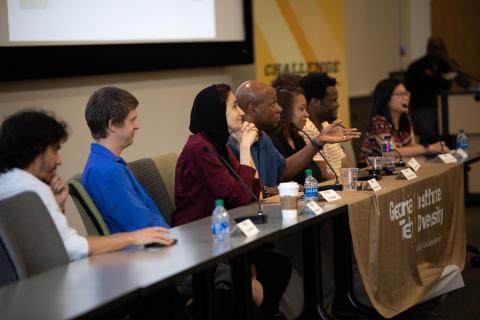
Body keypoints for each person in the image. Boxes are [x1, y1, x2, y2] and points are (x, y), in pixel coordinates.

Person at [173, 84, 292, 319]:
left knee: (278, 266)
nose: (240, 112)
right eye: (233, 106)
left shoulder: (216, 145)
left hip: (225, 238)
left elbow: (250, 193)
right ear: (216, 112)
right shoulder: (200, 149)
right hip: (202, 243)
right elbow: (240, 197)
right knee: (259, 278)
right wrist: (246, 146)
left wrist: (244, 149)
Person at [0, 110, 174, 262]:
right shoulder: (33, 189)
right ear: (36, 151)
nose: (59, 160)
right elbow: (71, 247)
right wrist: (133, 238)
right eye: (54, 150)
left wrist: (59, 206)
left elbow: (49, 242)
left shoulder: (9, 182)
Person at [228, 80, 359, 189]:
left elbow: (282, 170)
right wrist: (275, 190)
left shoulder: (263, 138)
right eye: (273, 103)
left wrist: (318, 141)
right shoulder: (233, 144)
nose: (280, 109)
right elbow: (242, 191)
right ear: (253, 109)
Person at [81, 87, 173, 235]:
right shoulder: (107, 172)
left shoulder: (105, 164)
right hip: (144, 253)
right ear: (112, 125)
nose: (137, 126)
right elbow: (145, 227)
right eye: (132, 120)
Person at [361, 78, 448, 161]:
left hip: (397, 167)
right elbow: (391, 151)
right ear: (386, 99)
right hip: (372, 171)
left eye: (406, 93)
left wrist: (434, 150)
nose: (406, 98)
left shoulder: (406, 119)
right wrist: (429, 148)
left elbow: (412, 146)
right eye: (399, 94)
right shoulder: (379, 122)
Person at [405, 37, 470, 144]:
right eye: (435, 48)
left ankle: (452, 153)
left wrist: (450, 62)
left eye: (441, 48)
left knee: (458, 126)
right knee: (429, 129)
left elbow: (465, 83)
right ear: (428, 49)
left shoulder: (448, 65)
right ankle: (428, 153)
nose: (438, 51)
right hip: (425, 107)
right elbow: (408, 91)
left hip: (446, 106)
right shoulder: (417, 66)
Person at [299, 72, 349, 181]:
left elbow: (345, 166)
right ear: (315, 102)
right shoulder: (306, 129)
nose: (338, 105)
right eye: (333, 100)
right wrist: (348, 181)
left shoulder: (326, 125)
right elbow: (323, 176)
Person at [268, 87, 322, 185]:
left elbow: (316, 174)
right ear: (285, 110)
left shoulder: (298, 139)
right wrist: (318, 142)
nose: (307, 114)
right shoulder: (271, 140)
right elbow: (281, 174)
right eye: (302, 109)